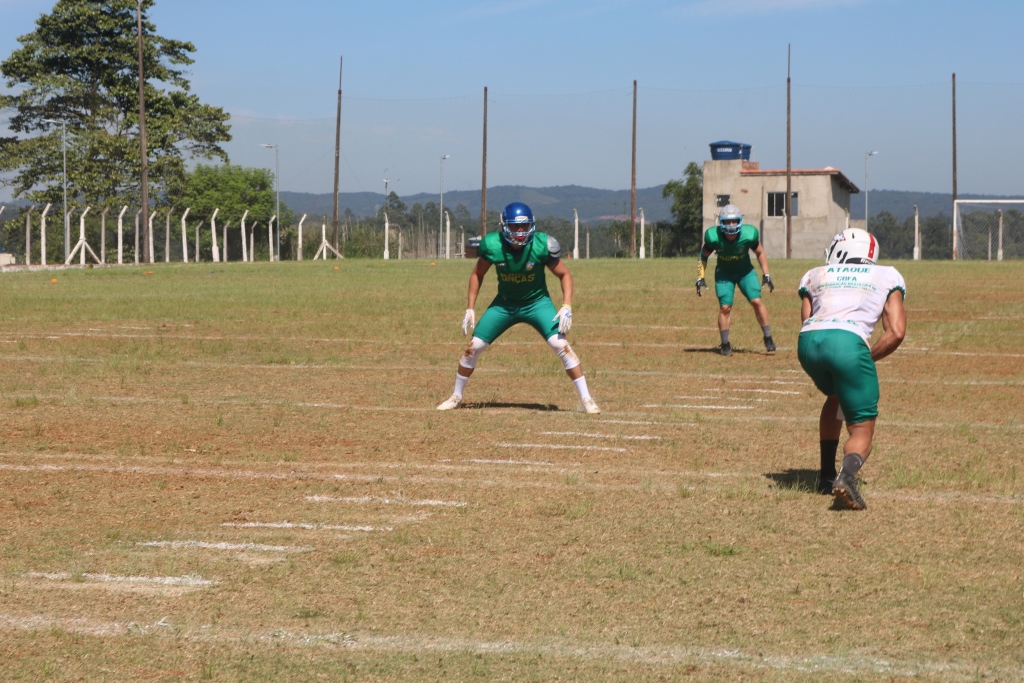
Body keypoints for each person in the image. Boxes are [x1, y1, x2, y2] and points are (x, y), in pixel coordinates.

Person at [436, 201, 600, 414]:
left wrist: (566, 305)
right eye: (515, 226)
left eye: (524, 226)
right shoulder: (493, 245)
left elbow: (564, 274)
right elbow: (478, 274)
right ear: (505, 226)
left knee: (561, 346)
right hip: (504, 304)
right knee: (473, 347)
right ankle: (456, 396)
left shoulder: (542, 244)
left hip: (537, 303)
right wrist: (470, 308)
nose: (520, 231)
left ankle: (587, 399)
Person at [797, 228, 907, 510]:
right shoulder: (887, 275)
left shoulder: (815, 273)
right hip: (848, 344)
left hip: (808, 344)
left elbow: (807, 319)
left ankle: (824, 474)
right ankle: (845, 477)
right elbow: (895, 331)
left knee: (835, 395)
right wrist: (864, 357)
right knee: (862, 428)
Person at [696, 204, 775, 356]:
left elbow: (760, 252)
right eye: (727, 222)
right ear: (721, 223)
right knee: (725, 307)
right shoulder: (713, 236)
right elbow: (703, 255)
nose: (731, 225)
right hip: (724, 274)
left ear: (740, 221)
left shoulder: (748, 234)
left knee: (757, 301)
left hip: (745, 272)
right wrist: (700, 276)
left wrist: (766, 274)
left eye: (734, 221)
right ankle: (725, 344)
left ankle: (768, 337)